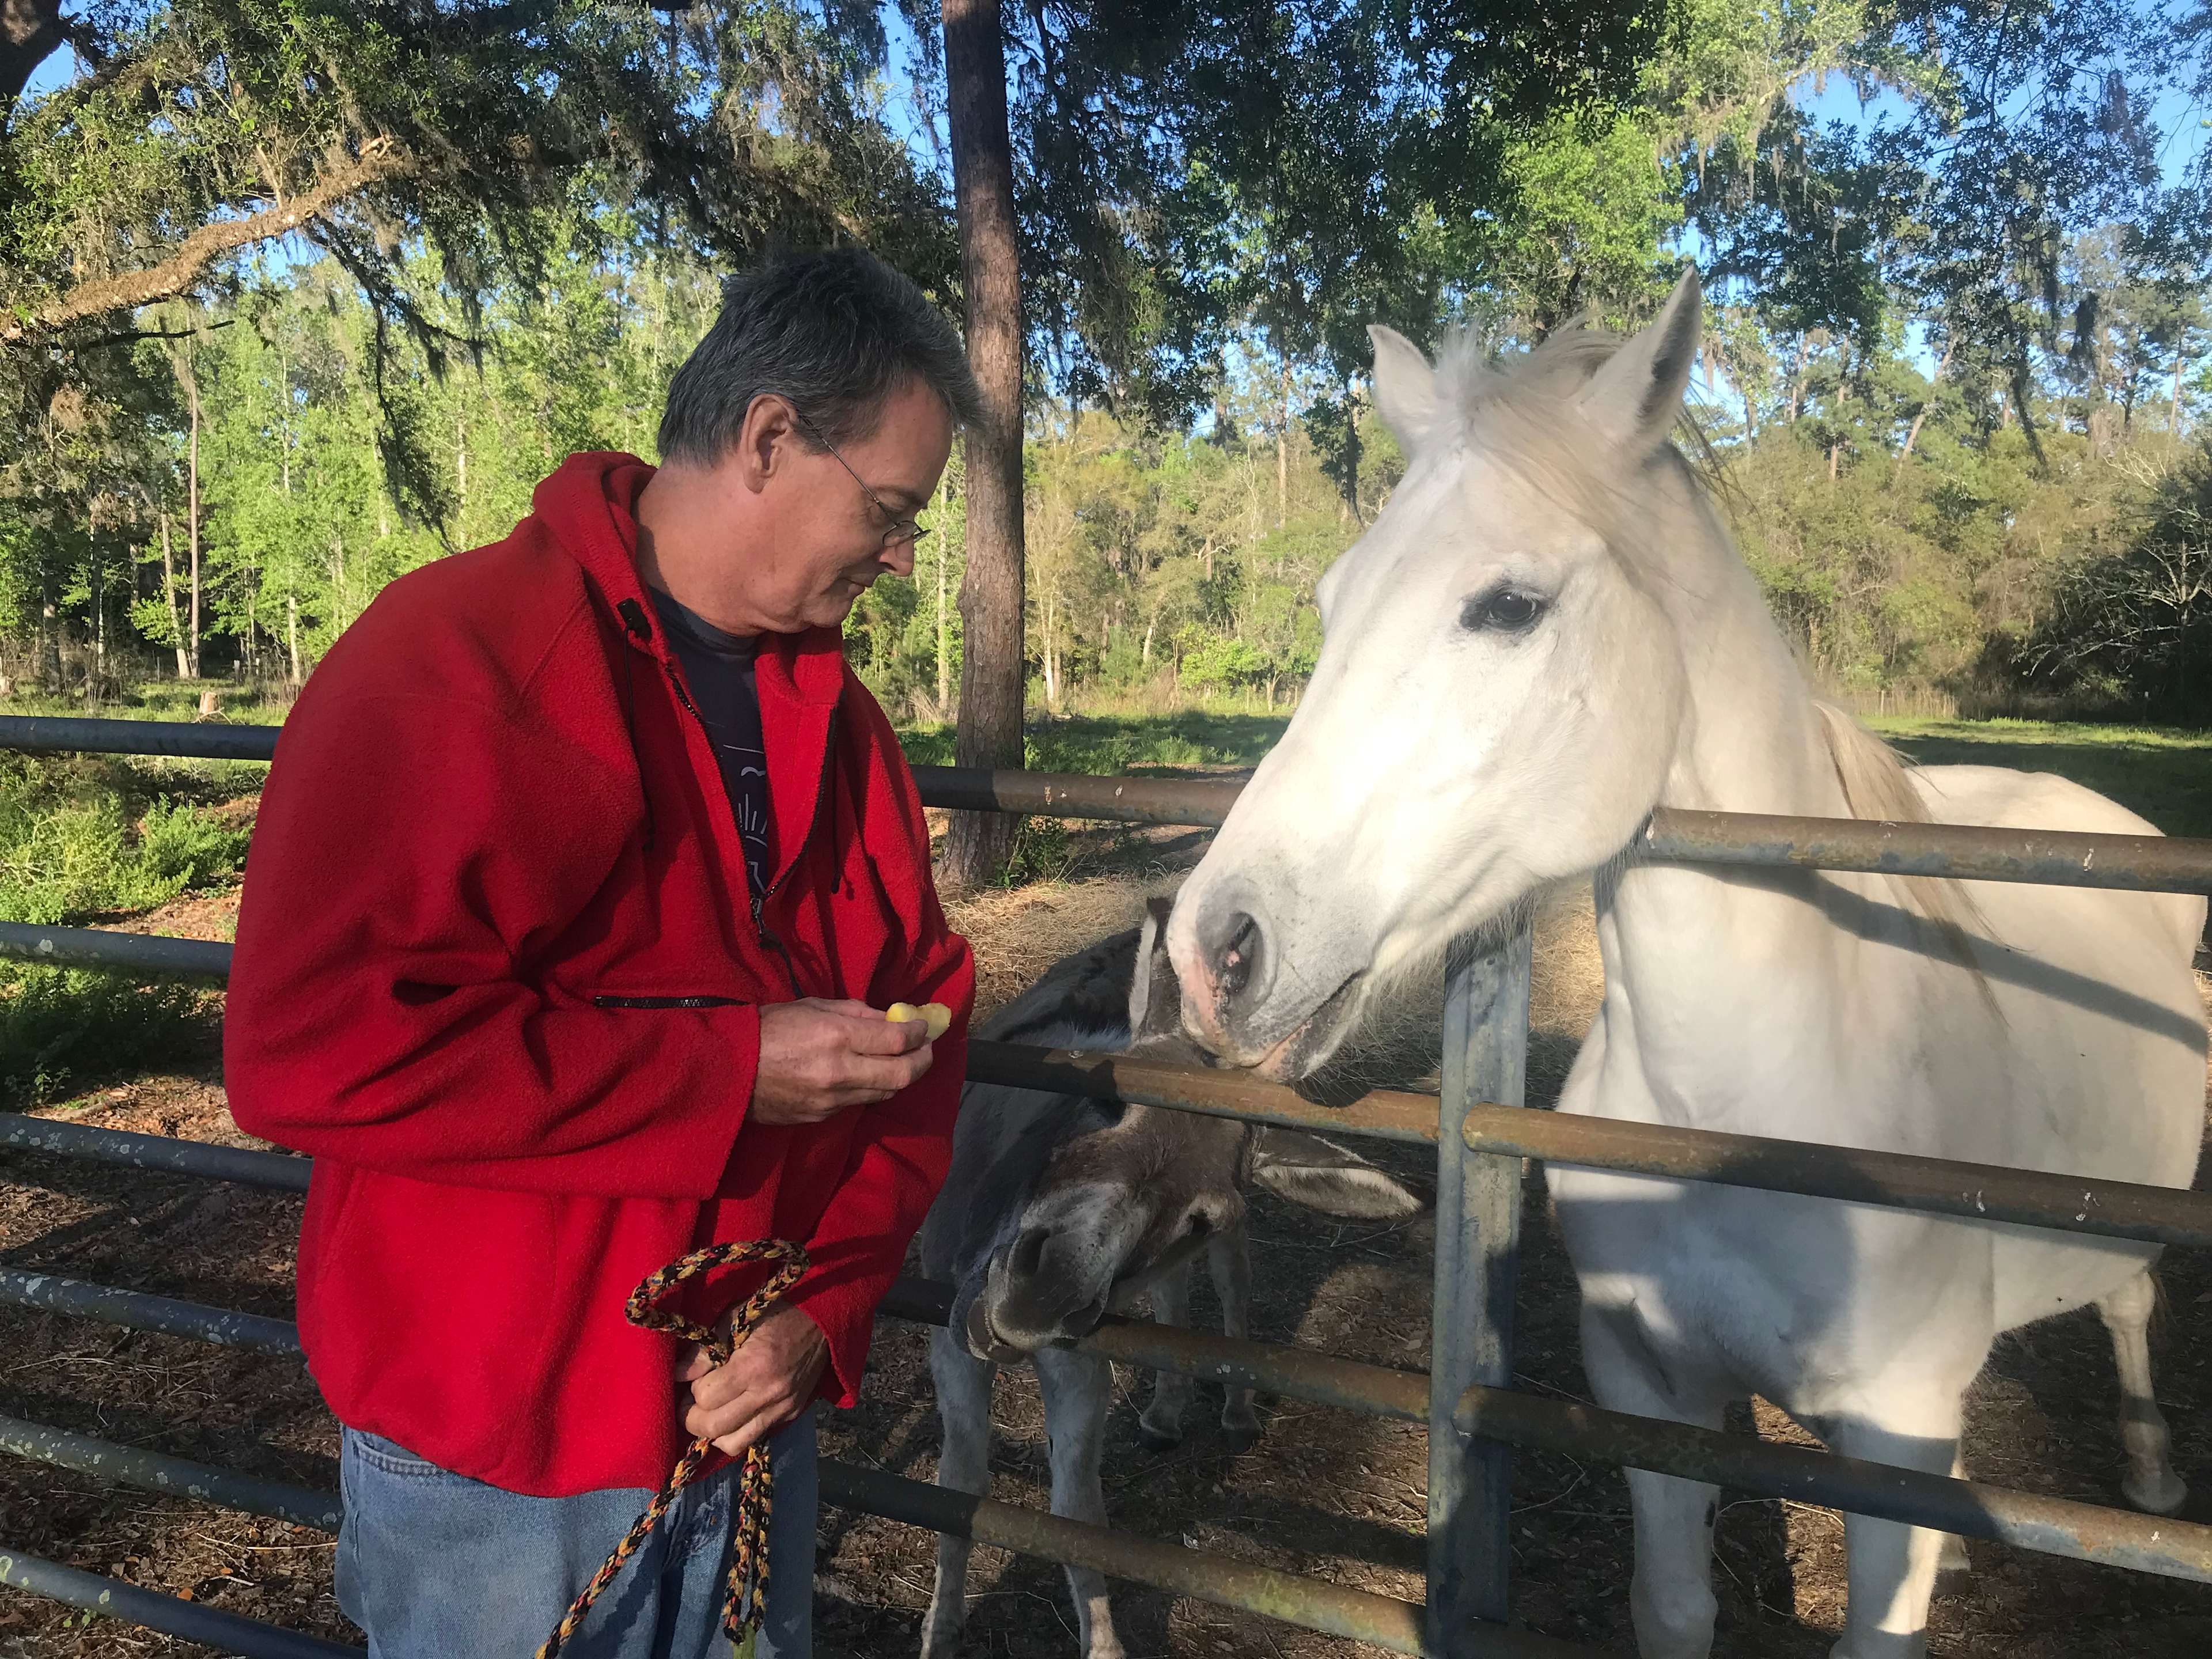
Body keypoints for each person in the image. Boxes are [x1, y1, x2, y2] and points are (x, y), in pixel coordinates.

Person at [224, 248, 983, 1658]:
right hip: (494, 1475)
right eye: (888, 511)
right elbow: (303, 1052)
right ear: (769, 439)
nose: (898, 555)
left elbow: (922, 1028)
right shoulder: (451, 661)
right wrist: (726, 1072)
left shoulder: (848, 732)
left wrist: (825, 1309)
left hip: (746, 1436)